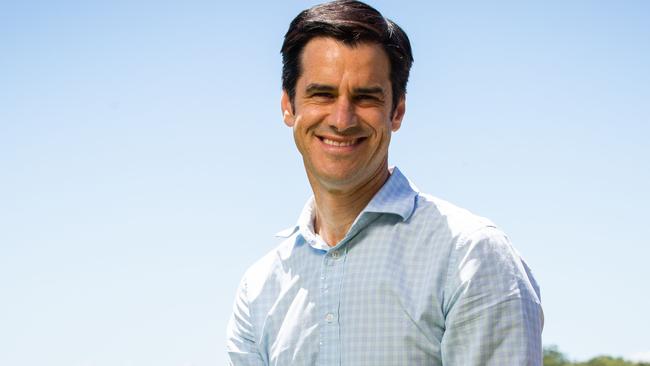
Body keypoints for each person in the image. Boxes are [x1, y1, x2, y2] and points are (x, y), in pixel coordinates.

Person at [226, 1, 543, 365]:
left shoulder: (470, 254)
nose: (342, 119)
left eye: (365, 97)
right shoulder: (259, 288)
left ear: (397, 111)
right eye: (323, 94)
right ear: (289, 106)